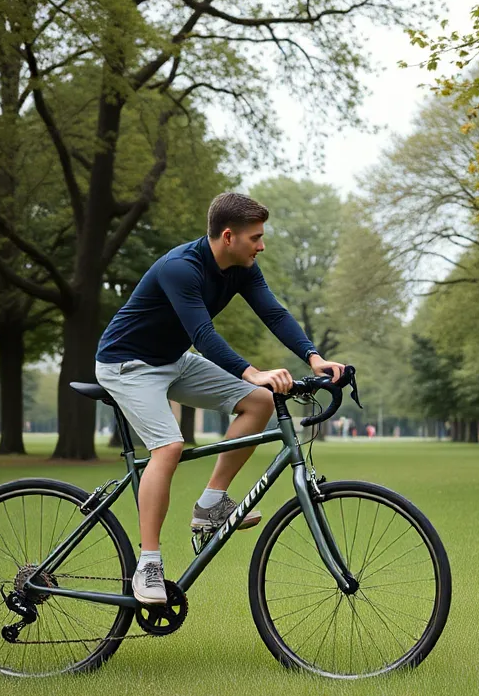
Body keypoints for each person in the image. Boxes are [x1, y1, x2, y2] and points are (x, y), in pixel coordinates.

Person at [94, 193, 344, 606]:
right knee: (169, 447)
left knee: (259, 402)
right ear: (228, 237)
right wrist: (254, 372)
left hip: (172, 361)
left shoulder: (243, 268)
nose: (261, 246)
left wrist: (314, 358)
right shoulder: (182, 268)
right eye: (256, 238)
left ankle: (211, 503)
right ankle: (148, 565)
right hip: (127, 365)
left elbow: (274, 314)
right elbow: (203, 335)